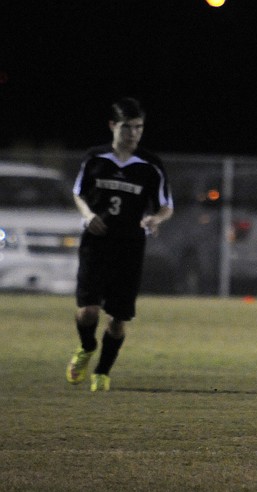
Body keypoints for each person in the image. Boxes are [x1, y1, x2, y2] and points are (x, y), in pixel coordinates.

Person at [66, 97, 173, 392]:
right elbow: (78, 193)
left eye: (139, 127)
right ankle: (87, 348)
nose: (133, 134)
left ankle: (102, 372)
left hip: (130, 247)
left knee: (118, 317)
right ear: (113, 126)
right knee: (88, 311)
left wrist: (155, 220)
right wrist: (88, 215)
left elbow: (166, 206)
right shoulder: (95, 158)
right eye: (127, 127)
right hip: (96, 243)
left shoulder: (150, 165)